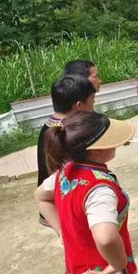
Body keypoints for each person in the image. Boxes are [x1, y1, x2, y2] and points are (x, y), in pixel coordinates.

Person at [35, 111, 138, 274]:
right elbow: (106, 238)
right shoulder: (100, 190)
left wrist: (61, 232)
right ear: (97, 150)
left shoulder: (65, 170)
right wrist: (117, 263)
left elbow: (41, 196)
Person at [36, 75, 96, 226]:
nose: (93, 106)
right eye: (92, 101)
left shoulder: (49, 127)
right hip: (68, 200)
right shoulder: (69, 132)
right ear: (79, 105)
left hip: (53, 195)